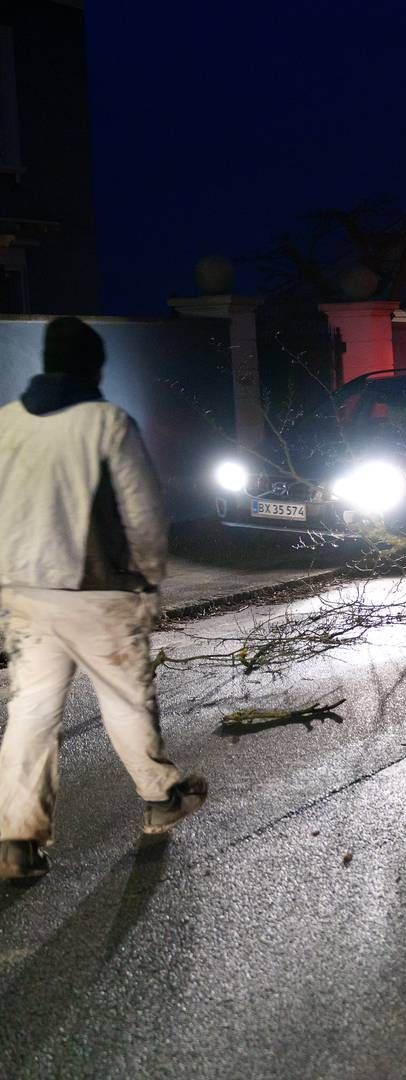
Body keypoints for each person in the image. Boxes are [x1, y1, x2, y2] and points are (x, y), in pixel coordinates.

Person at [0, 317, 207, 883]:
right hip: (99, 591)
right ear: (94, 367)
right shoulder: (108, 422)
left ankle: (18, 840)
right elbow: (143, 511)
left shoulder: (6, 425)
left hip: (22, 593)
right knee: (123, 697)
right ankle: (162, 795)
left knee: (31, 713)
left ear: (46, 363)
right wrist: (150, 576)